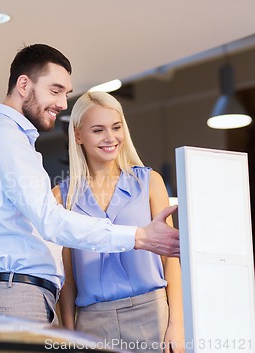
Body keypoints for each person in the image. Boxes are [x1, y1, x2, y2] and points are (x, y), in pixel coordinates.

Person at [0, 43, 179, 325]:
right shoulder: (5, 138)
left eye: (65, 94)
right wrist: (138, 236)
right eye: (55, 90)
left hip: (21, 295)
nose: (63, 104)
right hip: (18, 298)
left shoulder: (3, 138)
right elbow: (51, 222)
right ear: (24, 84)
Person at [54, 91, 184, 352]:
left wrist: (177, 324)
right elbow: (66, 278)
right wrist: (68, 335)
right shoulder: (61, 197)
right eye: (98, 130)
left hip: (152, 314)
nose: (110, 138)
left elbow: (171, 259)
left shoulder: (149, 182)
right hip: (92, 323)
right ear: (78, 135)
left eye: (116, 127)